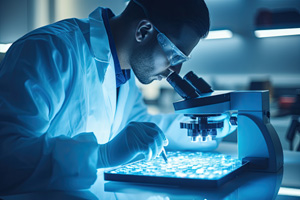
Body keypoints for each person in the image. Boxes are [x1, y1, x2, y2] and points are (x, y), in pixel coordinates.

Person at [0, 0, 228, 193]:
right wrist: (101, 155)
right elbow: (7, 159)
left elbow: (145, 129)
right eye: (175, 56)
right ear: (144, 31)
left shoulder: (124, 74)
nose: (174, 71)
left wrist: (215, 124)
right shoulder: (49, 51)